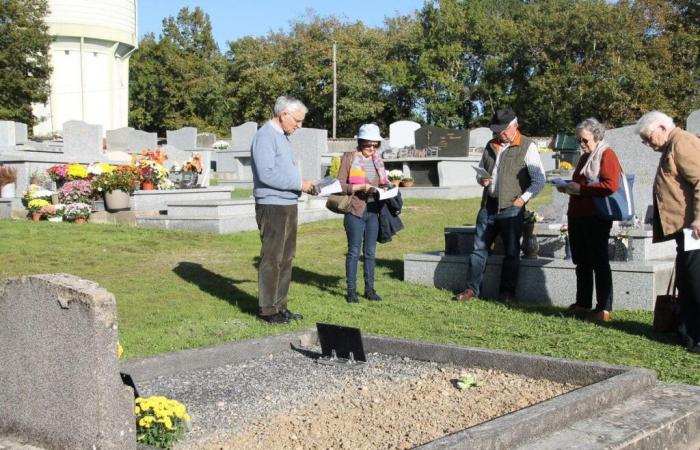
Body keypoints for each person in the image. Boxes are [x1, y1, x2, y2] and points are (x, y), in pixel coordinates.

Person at [455, 109, 545, 302]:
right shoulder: (491, 145)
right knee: (478, 249)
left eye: (503, 130)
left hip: (512, 207)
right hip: (489, 205)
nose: (500, 135)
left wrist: (522, 200)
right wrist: (482, 179)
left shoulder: (527, 146)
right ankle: (472, 290)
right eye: (497, 131)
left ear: (515, 126)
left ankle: (507, 293)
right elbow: (481, 171)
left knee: (512, 251)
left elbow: (538, 180)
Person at [636, 111, 700, 354]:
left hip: (695, 231)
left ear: (662, 127)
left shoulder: (682, 143)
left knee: (696, 282)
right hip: (685, 231)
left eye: (648, 137)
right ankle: (687, 333)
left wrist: (699, 218)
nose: (647, 143)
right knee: (686, 281)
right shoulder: (671, 145)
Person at [251, 95, 315, 324]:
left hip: (287, 202)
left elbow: (284, 172)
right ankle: (268, 311)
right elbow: (266, 174)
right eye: (297, 120)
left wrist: (303, 182)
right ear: (283, 114)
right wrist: (299, 184)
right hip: (272, 205)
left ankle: (281, 306)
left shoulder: (282, 137)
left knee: (287, 257)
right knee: (272, 258)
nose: (299, 125)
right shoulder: (266, 136)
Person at [558, 118, 621, 322]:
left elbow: (610, 185)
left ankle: (603, 307)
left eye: (584, 140)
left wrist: (581, 189)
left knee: (599, 261)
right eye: (579, 140)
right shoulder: (585, 157)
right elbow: (580, 182)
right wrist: (566, 185)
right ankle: (583, 303)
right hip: (577, 214)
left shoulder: (606, 154)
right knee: (582, 261)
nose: (581, 144)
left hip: (595, 216)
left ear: (597, 136)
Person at [337, 124, 390, 303]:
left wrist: (388, 188)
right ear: (360, 142)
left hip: (373, 211)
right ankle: (351, 292)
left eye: (375, 145)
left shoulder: (378, 161)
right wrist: (360, 187)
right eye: (369, 145)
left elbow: (383, 182)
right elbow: (339, 185)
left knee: (370, 252)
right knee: (353, 252)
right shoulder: (349, 158)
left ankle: (370, 289)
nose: (372, 149)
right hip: (354, 211)